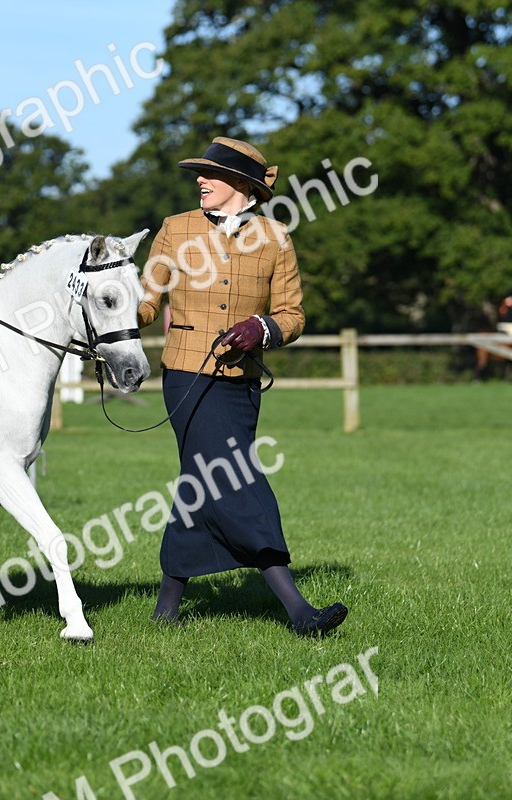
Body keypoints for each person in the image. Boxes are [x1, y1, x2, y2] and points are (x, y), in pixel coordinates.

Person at [138, 136, 348, 636]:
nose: (199, 181)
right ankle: (298, 609)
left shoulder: (276, 237)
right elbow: (148, 301)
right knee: (233, 478)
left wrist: (263, 329)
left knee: (201, 484)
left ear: (242, 185)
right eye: (200, 174)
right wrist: (114, 320)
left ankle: (167, 608)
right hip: (188, 377)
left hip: (242, 383)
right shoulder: (176, 228)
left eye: (210, 174)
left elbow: (293, 315)